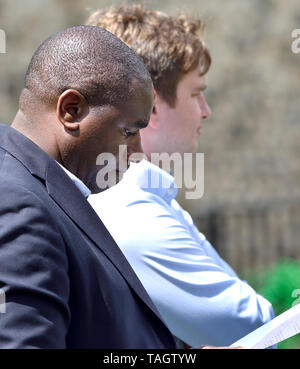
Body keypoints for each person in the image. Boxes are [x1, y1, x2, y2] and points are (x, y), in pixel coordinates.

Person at [87, 4, 275, 347]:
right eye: (196, 94)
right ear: (151, 107)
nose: (206, 112)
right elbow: (254, 330)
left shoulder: (139, 194)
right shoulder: (132, 214)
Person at [0, 25, 177, 349]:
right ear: (72, 110)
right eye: (128, 131)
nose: (138, 153)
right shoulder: (19, 206)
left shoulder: (40, 191)